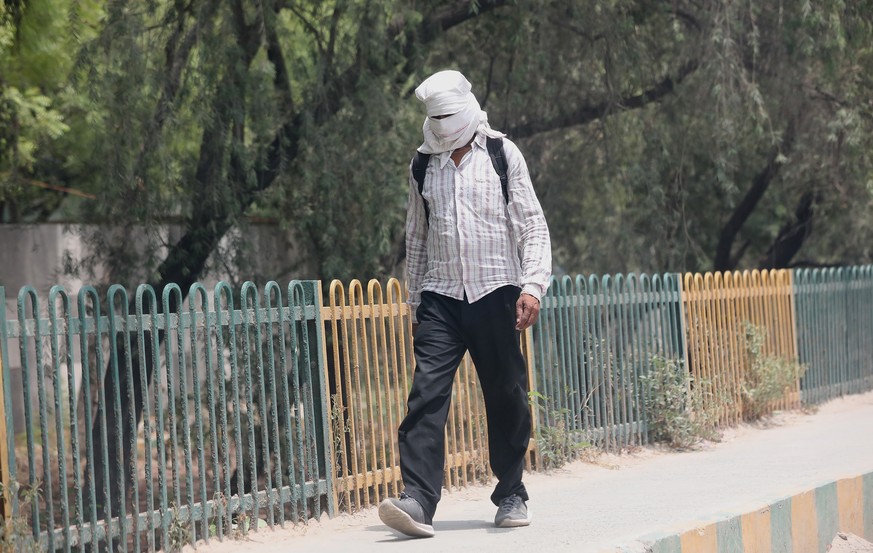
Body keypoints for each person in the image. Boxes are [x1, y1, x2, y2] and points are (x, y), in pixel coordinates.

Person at [378, 69, 552, 538]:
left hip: (497, 292)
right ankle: (417, 500)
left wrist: (532, 286)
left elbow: (532, 225)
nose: (441, 124)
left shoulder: (500, 153)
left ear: (466, 110)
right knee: (425, 397)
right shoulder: (422, 165)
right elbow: (416, 237)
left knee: (506, 393)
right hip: (440, 298)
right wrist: (416, 302)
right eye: (433, 118)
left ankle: (511, 492)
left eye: (447, 116)